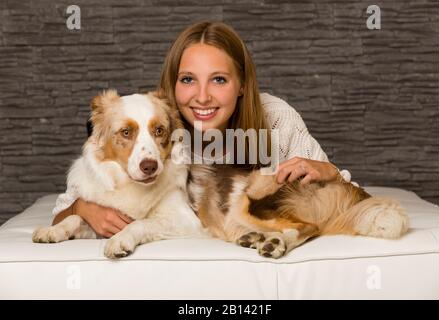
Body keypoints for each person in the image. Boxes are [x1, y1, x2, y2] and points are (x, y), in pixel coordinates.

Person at [52, 21, 352, 237]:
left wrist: (330, 172)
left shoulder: (275, 118)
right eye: (188, 80)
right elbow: (63, 210)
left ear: (242, 85)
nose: (203, 96)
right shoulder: (156, 121)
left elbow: (348, 195)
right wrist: (83, 209)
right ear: (172, 85)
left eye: (219, 79)